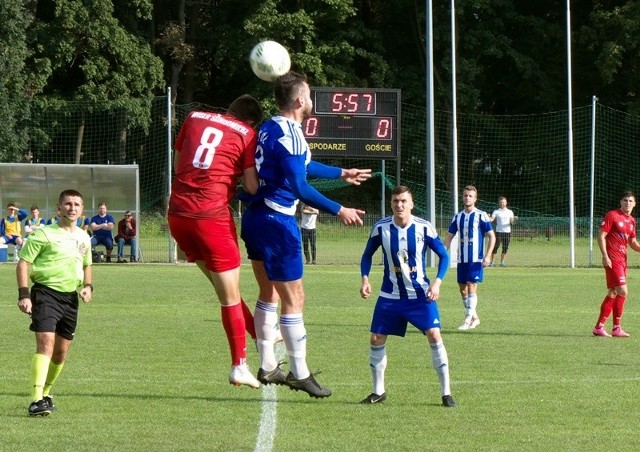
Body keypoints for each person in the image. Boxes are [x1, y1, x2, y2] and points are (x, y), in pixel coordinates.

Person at [240, 71, 371, 398]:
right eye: (309, 95)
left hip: (255, 216)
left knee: (267, 293)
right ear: (300, 100)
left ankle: (268, 364)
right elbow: (299, 185)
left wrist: (342, 172)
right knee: (295, 298)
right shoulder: (293, 134)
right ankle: (299, 372)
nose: (311, 101)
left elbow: (302, 166)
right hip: (277, 222)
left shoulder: (269, 128)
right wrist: (339, 209)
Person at [168, 94, 265, 389]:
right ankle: (239, 365)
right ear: (251, 122)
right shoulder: (247, 133)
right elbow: (250, 185)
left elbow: (177, 163)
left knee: (227, 291)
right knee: (230, 297)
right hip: (210, 217)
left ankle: (259, 337)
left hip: (177, 215)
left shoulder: (194, 117)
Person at [359, 186, 456, 407]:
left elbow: (443, 256)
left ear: (411, 204)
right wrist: (365, 278)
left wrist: (437, 283)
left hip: (420, 296)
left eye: (403, 201)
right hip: (390, 295)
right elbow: (366, 255)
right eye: (395, 201)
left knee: (434, 335)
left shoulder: (423, 228)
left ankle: (446, 393)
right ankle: (378, 392)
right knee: (376, 339)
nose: (399, 205)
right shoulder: (381, 228)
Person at [16, 189, 93, 416]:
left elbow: (88, 265)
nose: (72, 208)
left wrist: (88, 287)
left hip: (70, 298)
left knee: (61, 352)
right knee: (46, 345)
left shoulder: (83, 237)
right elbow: (23, 263)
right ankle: (35, 399)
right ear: (59, 208)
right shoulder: (43, 234)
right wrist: (24, 294)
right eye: (67, 204)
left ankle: (47, 394)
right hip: (45, 294)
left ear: (82, 210)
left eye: (76, 204)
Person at [443, 185, 496, 331]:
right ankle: (475, 318)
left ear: (475, 198)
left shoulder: (481, 215)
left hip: (476, 259)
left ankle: (467, 319)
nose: (467, 198)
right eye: (465, 195)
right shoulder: (458, 216)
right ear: (462, 197)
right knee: (463, 290)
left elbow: (492, 236)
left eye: (470, 196)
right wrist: (442, 252)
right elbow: (449, 237)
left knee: (472, 286)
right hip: (462, 259)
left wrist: (488, 255)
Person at [592, 190, 640, 338]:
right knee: (623, 291)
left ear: (635, 204)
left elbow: (632, 242)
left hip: (623, 260)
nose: (628, 203)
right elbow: (601, 236)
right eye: (625, 200)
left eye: (630, 201)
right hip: (613, 259)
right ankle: (616, 327)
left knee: (613, 292)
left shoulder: (632, 221)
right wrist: (605, 256)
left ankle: (599, 327)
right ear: (620, 202)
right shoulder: (612, 215)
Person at [489, 196, 517, 267]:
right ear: (499, 203)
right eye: (501, 202)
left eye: (503, 202)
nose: (502, 203)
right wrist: (487, 217)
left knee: (505, 247)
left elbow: (512, 222)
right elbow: (492, 219)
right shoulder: (496, 211)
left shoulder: (510, 212)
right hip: (498, 232)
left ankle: (502, 262)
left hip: (507, 232)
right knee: (496, 246)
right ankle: (492, 262)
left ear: (506, 203)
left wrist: (514, 220)